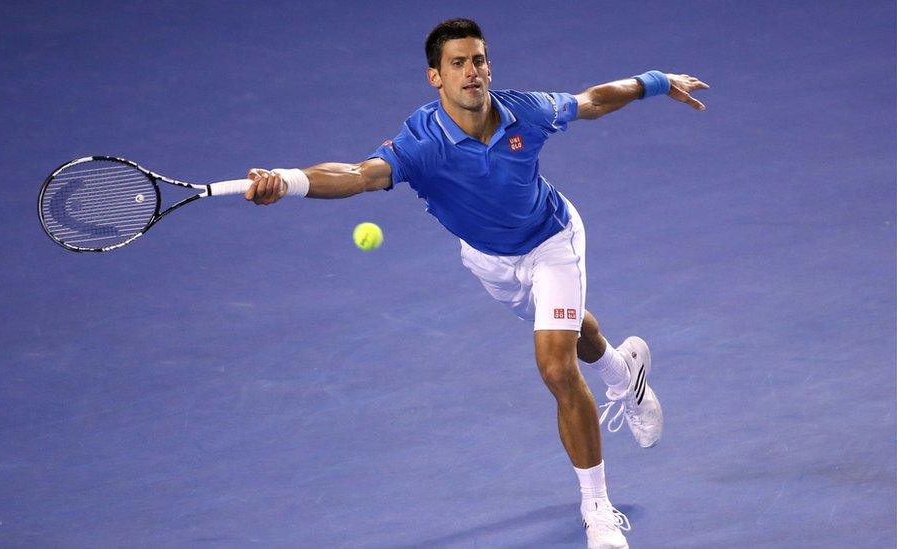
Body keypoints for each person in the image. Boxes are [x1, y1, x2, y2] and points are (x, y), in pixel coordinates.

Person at [244, 18, 708, 549]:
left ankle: (597, 509)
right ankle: (623, 372)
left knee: (556, 366)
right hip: (491, 261)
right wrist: (290, 182)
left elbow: (593, 100)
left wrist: (655, 79)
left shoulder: (524, 112)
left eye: (479, 60)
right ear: (434, 78)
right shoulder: (422, 144)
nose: (472, 72)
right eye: (458, 63)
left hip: (552, 240)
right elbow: (358, 173)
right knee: (571, 329)